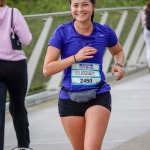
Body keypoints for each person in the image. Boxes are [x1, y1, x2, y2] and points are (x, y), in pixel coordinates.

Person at [43, 0, 125, 149]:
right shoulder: (62, 32)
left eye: (85, 4)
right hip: (69, 99)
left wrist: (118, 64)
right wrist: (75, 58)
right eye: (75, 5)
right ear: (70, 8)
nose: (80, 9)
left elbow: (118, 51)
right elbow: (47, 69)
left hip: (98, 95)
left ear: (93, 6)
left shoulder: (104, 31)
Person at [0, 0, 32, 149]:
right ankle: (23, 146)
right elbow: (27, 39)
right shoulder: (13, 13)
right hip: (16, 66)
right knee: (18, 106)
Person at [141, 0, 150, 72]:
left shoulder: (146, 8)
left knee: (149, 48)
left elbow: (143, 20)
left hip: (146, 30)